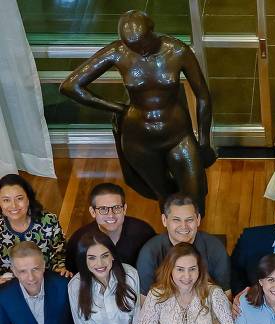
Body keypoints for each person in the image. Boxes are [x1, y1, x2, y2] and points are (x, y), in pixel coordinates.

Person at [60, 10, 215, 215]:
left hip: (178, 135)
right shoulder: (118, 51)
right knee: (164, 196)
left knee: (195, 195)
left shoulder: (177, 50)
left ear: (152, 32)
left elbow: (203, 96)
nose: (139, 51)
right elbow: (70, 86)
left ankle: (196, 240)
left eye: (142, 44)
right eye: (131, 46)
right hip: (140, 139)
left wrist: (203, 141)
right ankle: (176, 244)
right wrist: (118, 108)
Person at [136, 193, 229, 297]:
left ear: (198, 220)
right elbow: (145, 300)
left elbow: (226, 295)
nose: (184, 226)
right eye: (176, 220)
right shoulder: (149, 252)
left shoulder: (215, 247)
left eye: (189, 220)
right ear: (164, 220)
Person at [65, 182, 155, 272]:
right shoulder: (78, 240)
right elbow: (73, 273)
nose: (111, 215)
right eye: (103, 209)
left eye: (116, 208)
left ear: (124, 209)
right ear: (92, 212)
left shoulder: (143, 232)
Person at [0, 173, 69, 281]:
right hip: (9, 284)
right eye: (6, 200)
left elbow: (59, 253)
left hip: (43, 280)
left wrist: (60, 268)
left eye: (19, 198)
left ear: (28, 199)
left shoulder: (48, 220)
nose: (13, 205)